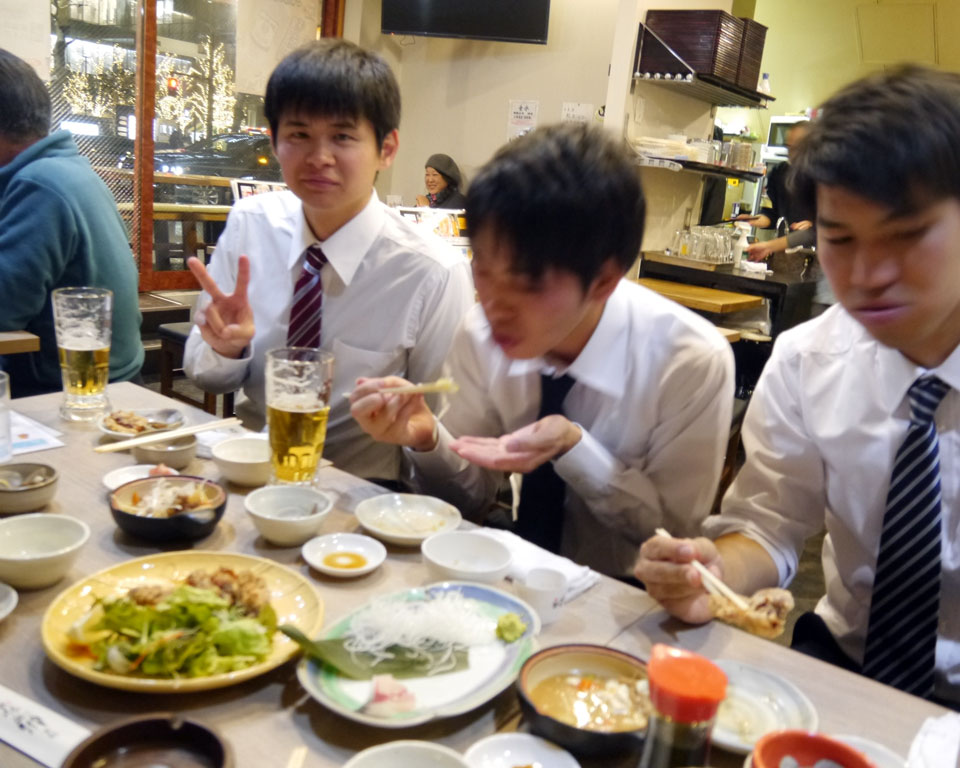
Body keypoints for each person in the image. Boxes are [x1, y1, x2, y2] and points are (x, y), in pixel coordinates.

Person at [635, 65, 960, 708]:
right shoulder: (807, 360)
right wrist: (716, 571)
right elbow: (768, 526)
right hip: (841, 668)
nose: (867, 276)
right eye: (841, 240)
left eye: (906, 237)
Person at [350, 123, 734, 579]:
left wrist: (575, 449)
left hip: (629, 596)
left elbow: (671, 538)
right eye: (483, 267)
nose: (495, 305)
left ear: (604, 280)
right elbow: (470, 496)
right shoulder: (481, 333)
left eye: (528, 281)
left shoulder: (690, 360)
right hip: (509, 576)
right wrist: (428, 439)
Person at [183, 39, 473, 483]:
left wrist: (424, 437)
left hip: (361, 492)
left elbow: (456, 464)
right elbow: (203, 374)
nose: (319, 158)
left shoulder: (433, 272)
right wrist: (227, 349)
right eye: (299, 135)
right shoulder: (250, 225)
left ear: (387, 148)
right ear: (274, 142)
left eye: (343, 136)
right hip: (252, 473)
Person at [0, 49, 143, 398]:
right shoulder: (66, 169)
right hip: (109, 381)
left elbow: (4, 309)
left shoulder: (39, 184)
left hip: (77, 394)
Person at [737, 120, 815, 262]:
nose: (791, 153)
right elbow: (772, 215)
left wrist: (813, 225)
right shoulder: (779, 173)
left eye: (797, 147)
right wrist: (754, 220)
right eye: (789, 147)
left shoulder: (829, 179)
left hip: (817, 256)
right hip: (785, 253)